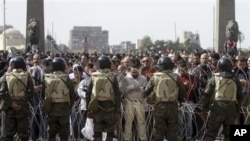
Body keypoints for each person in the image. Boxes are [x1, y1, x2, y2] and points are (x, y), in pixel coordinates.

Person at [144, 56, 185, 141]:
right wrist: (180, 100)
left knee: (159, 130)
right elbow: (182, 90)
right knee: (172, 130)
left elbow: (147, 91)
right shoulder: (176, 77)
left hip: (159, 106)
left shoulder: (155, 77)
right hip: (173, 106)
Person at [201, 57, 242, 141]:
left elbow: (207, 95)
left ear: (219, 66)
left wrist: (204, 109)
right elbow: (240, 96)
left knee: (210, 133)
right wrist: (237, 112)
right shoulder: (235, 80)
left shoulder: (214, 78)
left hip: (217, 108)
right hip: (231, 109)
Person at [86, 55, 121, 141]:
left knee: (97, 132)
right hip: (110, 108)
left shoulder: (93, 76)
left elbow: (88, 93)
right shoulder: (113, 76)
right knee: (110, 133)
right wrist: (117, 111)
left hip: (96, 107)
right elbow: (117, 94)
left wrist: (89, 109)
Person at [0, 56, 34, 141]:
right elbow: (31, 92)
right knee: (23, 134)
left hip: (9, 109)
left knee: (8, 134)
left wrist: (12, 104)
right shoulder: (27, 76)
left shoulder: (6, 76)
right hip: (22, 109)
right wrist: (20, 103)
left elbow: (2, 92)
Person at [44, 57, 76, 141]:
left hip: (51, 109)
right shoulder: (67, 78)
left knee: (51, 133)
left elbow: (43, 95)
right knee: (64, 135)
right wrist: (69, 106)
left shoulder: (47, 78)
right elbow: (72, 95)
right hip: (64, 109)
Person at [123, 64, 147, 141]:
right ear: (130, 71)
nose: (134, 73)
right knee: (128, 122)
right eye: (133, 72)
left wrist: (139, 88)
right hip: (129, 102)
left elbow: (146, 89)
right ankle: (127, 139)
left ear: (139, 71)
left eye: (136, 72)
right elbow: (123, 89)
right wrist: (132, 87)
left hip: (140, 102)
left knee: (141, 122)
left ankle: (142, 139)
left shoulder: (143, 78)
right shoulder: (126, 78)